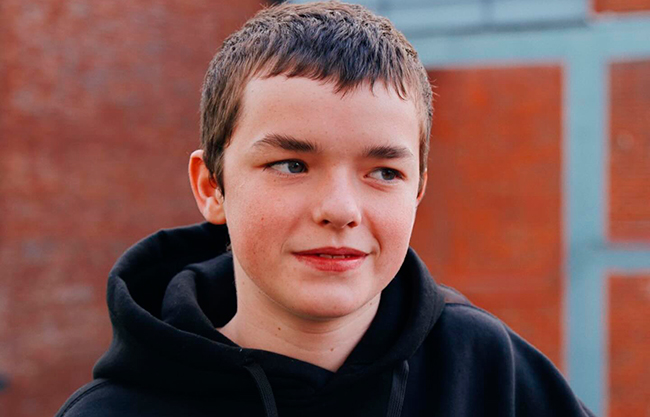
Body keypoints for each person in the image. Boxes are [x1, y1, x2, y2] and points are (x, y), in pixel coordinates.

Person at [56, 2, 595, 416]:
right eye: (292, 164)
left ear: (417, 192)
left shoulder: (492, 377)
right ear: (212, 187)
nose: (340, 210)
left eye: (384, 172)